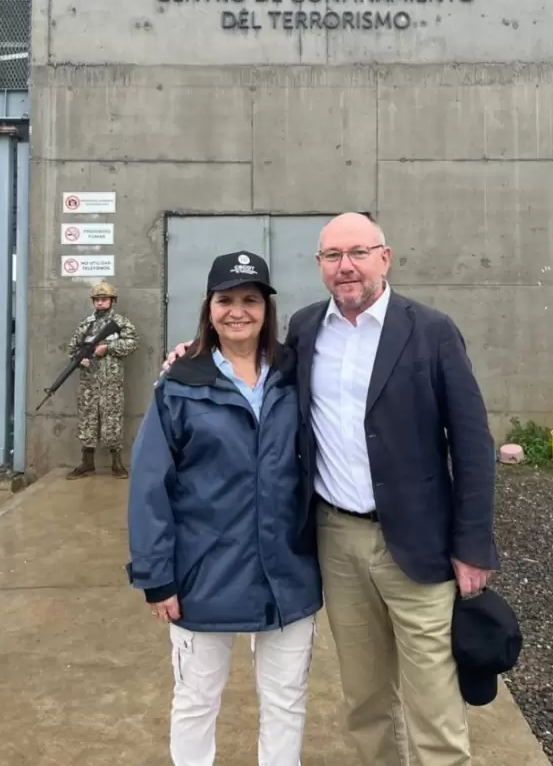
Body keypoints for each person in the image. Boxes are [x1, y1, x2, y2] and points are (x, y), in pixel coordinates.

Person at [164, 214, 498, 766]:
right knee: (365, 698)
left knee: (432, 702)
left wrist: (474, 545)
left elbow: (472, 444)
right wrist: (195, 356)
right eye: (332, 256)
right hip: (336, 539)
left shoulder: (431, 331)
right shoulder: (306, 328)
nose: (346, 267)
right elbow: (251, 364)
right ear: (319, 266)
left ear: (384, 258)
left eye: (358, 253)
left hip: (419, 545)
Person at [127, 251, 322, 766]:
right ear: (209, 307)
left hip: (287, 573)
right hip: (203, 574)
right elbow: (150, 485)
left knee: (286, 702)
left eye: (250, 300)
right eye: (226, 299)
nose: (239, 311)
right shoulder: (179, 384)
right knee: (196, 701)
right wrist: (156, 575)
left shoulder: (293, 375)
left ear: (267, 308)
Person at [66, 281, 139, 480]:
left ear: (112, 301)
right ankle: (87, 463)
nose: (100, 303)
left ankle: (116, 463)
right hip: (89, 382)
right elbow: (72, 349)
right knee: (88, 419)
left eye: (104, 299)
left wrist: (108, 348)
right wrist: (82, 358)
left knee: (112, 419)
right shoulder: (86, 324)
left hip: (112, 382)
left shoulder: (121, 322)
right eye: (97, 299)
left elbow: (133, 343)